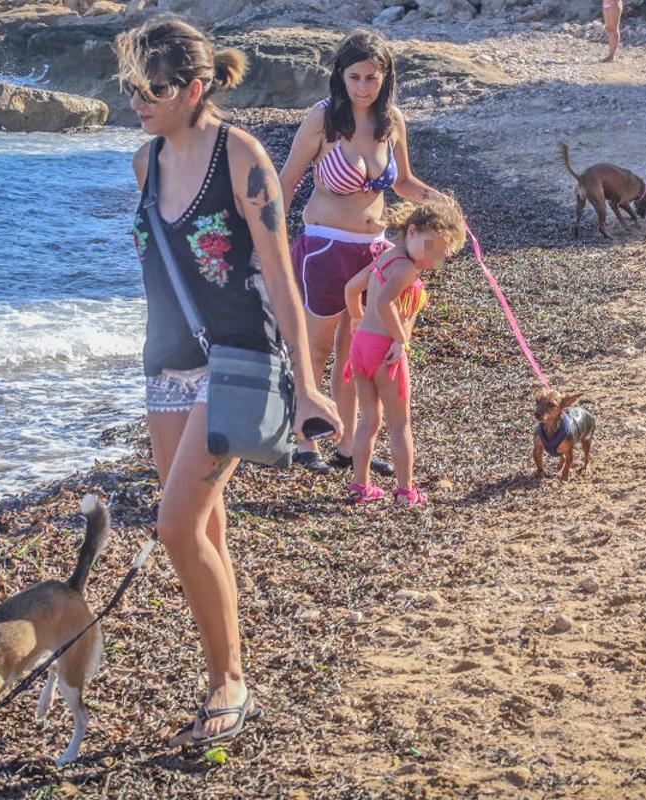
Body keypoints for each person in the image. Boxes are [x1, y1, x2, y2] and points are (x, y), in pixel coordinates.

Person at [117, 19, 342, 745]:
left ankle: (228, 683)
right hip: (166, 364)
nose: (136, 101)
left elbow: (280, 274)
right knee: (205, 528)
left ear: (194, 86)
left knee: (175, 527)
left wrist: (307, 386)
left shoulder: (241, 156)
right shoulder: (145, 162)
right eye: (129, 87)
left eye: (149, 88)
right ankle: (228, 668)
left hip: (239, 359)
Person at [278, 30, 443, 476]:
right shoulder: (323, 120)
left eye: (372, 77)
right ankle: (304, 439)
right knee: (315, 348)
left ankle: (348, 445)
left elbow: (405, 183)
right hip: (325, 247)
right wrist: (266, 238)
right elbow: (287, 181)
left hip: (374, 251)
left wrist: (442, 202)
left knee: (356, 353)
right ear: (341, 76)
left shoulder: (392, 122)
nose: (363, 87)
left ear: (385, 77)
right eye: (355, 77)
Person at [342, 199, 466, 507]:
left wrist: (357, 319)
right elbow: (384, 304)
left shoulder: (385, 257)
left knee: (368, 419)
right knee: (400, 423)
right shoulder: (407, 268)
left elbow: (351, 288)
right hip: (385, 349)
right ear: (411, 231)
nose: (434, 259)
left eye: (442, 254)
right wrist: (400, 340)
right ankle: (405, 490)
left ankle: (359, 486)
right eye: (432, 249)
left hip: (361, 347)